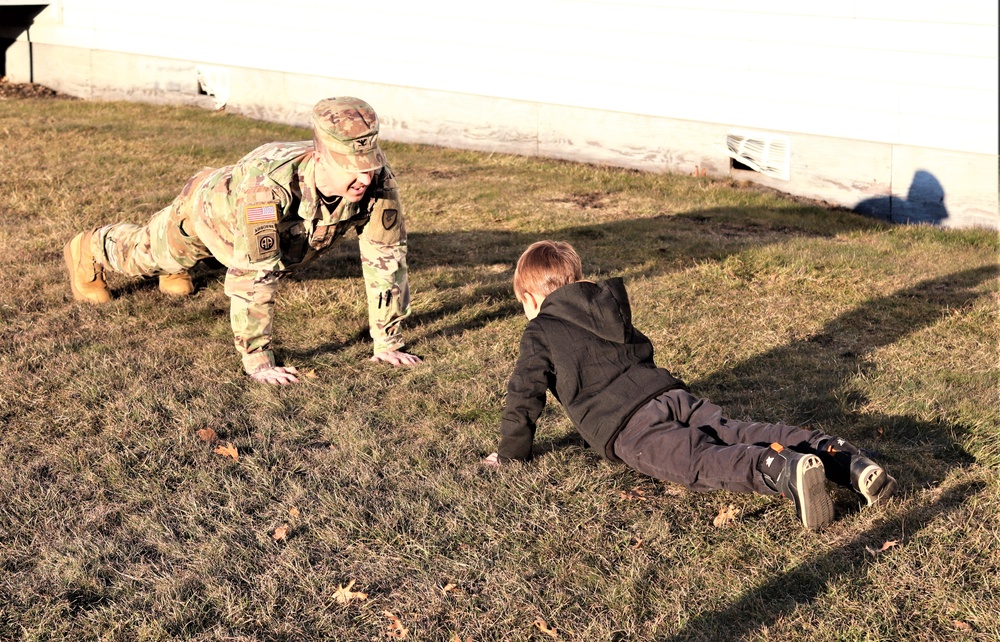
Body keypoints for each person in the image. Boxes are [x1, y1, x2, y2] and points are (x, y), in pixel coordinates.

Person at [483, 240, 897, 530]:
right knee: (733, 430)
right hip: (669, 395)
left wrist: (511, 455)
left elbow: (524, 396)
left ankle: (778, 469)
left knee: (695, 459)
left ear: (531, 298)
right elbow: (640, 348)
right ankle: (838, 455)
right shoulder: (605, 310)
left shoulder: (541, 329)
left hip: (629, 425)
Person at [64, 97, 422, 384]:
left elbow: (386, 258)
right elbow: (255, 275)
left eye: (368, 163)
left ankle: (177, 270)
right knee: (144, 257)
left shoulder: (377, 179)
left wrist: (387, 342)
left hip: (247, 227)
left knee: (181, 268)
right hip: (206, 215)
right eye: (350, 165)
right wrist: (259, 361)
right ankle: (90, 247)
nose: (363, 176)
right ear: (321, 155)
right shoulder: (265, 188)